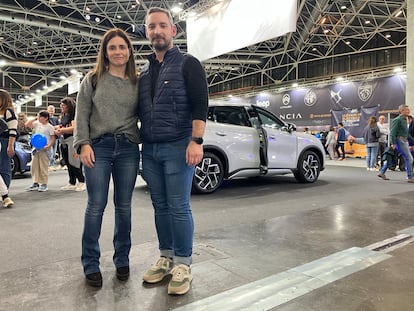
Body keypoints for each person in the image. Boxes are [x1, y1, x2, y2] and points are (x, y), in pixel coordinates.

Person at [138, 7, 208, 295]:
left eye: (162, 26)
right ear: (147, 32)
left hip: (179, 145)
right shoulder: (144, 72)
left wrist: (197, 141)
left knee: (179, 206)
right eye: (152, 27)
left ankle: (183, 263)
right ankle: (166, 257)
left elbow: (200, 102)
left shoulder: (188, 63)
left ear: (173, 31)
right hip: (150, 148)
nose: (157, 31)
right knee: (160, 206)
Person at [74, 28, 140, 288]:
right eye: (112, 47)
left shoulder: (137, 81)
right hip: (98, 148)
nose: (117, 52)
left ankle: (122, 258)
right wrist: (83, 144)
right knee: (96, 205)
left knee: (124, 206)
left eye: (122, 47)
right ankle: (90, 262)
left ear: (129, 51)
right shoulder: (92, 79)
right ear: (105, 52)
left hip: (128, 148)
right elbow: (82, 113)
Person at [55, 97, 85, 191]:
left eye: (64, 105)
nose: (62, 107)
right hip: (64, 141)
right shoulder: (64, 116)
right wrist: (58, 128)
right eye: (61, 105)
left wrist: (62, 130)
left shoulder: (74, 115)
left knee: (74, 162)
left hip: (72, 140)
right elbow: (63, 126)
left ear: (69, 106)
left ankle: (81, 181)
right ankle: (72, 182)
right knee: (67, 162)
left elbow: (74, 128)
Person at [381, 104, 414, 183]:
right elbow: (392, 132)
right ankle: (410, 177)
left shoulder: (404, 119)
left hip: (404, 140)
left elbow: (406, 133)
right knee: (409, 158)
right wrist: (393, 143)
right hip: (400, 140)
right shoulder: (397, 120)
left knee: (393, 157)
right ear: (401, 111)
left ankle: (382, 172)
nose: (408, 111)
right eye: (407, 110)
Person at [24, 110, 56, 192]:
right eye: (38, 116)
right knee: (34, 166)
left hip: (45, 149)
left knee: (43, 166)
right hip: (36, 148)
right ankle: (35, 182)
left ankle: (44, 184)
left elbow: (53, 138)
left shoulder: (50, 127)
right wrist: (35, 117)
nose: (39, 118)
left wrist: (48, 146)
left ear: (46, 118)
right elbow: (27, 124)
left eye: (40, 116)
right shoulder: (37, 124)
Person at [0, 89, 17, 203]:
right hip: (2, 141)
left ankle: (4, 193)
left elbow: (13, 130)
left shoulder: (9, 111)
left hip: (6, 141)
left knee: (4, 167)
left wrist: (10, 146)